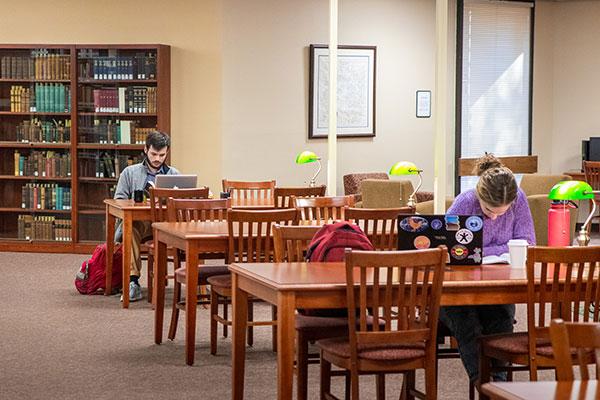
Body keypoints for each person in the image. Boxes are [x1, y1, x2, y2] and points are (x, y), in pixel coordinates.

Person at [439, 154, 535, 385]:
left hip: (498, 284)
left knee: (501, 318)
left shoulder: (518, 199)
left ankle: (497, 384)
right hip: (456, 292)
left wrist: (481, 251)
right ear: (479, 197)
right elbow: (448, 246)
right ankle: (486, 385)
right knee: (468, 323)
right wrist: (501, 250)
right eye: (488, 210)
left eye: (501, 213)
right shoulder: (465, 202)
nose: (493, 216)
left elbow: (527, 242)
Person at [114, 130, 179, 301]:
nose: (157, 159)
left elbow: (182, 202)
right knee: (131, 229)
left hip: (165, 225)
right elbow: (118, 201)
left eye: (162, 155)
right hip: (140, 224)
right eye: (154, 154)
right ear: (145, 150)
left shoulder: (174, 175)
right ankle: (133, 281)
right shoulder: (130, 172)